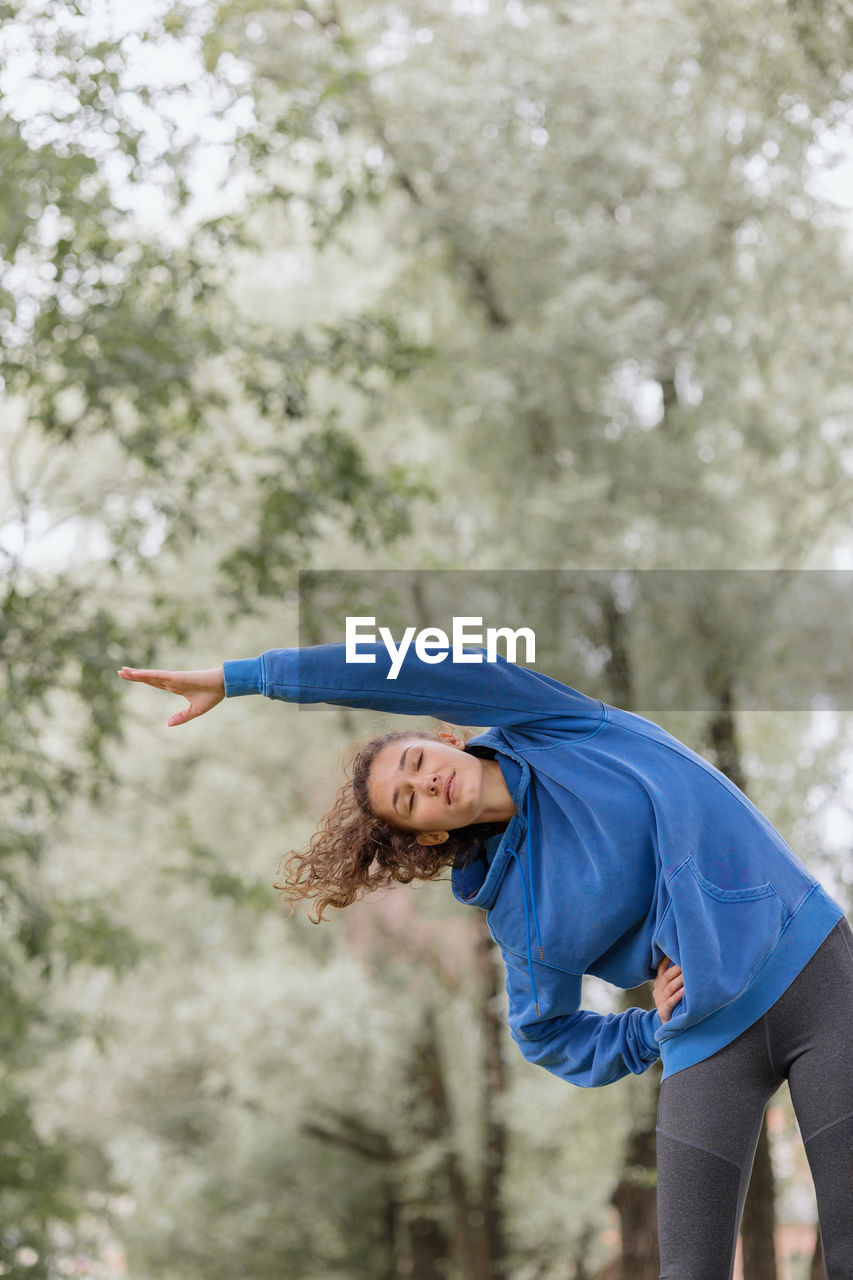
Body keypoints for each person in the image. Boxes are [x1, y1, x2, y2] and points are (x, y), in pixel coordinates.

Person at [119, 642, 853, 1280]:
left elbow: (392, 669)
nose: (424, 784)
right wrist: (643, 1033)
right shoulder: (519, 916)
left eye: (415, 763)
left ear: (445, 737)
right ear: (427, 836)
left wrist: (246, 677)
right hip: (705, 1036)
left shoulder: (552, 724)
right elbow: (544, 1033)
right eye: (408, 802)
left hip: (810, 968)